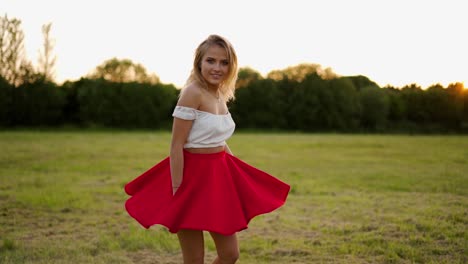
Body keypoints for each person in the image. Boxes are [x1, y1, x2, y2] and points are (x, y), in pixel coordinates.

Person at [124, 34, 290, 264]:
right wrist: (177, 187)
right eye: (211, 60)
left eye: (224, 62)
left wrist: (235, 173)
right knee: (194, 259)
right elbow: (176, 144)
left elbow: (217, 138)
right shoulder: (192, 93)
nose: (217, 67)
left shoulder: (221, 94)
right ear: (199, 62)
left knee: (230, 254)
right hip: (190, 178)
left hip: (217, 178)